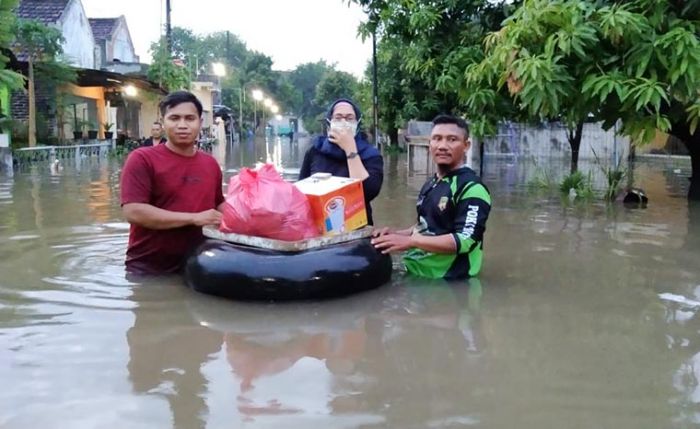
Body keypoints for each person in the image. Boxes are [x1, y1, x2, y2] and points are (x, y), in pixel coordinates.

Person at [372, 114, 491, 280]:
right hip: (414, 269)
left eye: (452, 139)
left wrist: (411, 242)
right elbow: (427, 226)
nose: (443, 145)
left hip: (446, 281)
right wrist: (396, 236)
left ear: (466, 145)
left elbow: (464, 241)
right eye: (437, 138)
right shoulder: (432, 183)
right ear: (430, 144)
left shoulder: (472, 188)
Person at [120, 91, 224, 274]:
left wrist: (251, 211)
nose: (182, 125)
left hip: (199, 267)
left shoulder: (210, 164)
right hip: (149, 269)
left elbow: (218, 205)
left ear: (200, 122)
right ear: (163, 122)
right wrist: (194, 218)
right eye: (174, 118)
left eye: (190, 118)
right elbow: (133, 211)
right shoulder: (142, 158)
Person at [299, 98, 383, 224]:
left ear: (357, 123)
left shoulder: (370, 155)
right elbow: (301, 192)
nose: (344, 122)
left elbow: (368, 193)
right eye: (338, 118)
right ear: (329, 122)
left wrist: (350, 149)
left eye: (349, 118)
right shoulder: (315, 151)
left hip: (357, 231)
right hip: (319, 228)